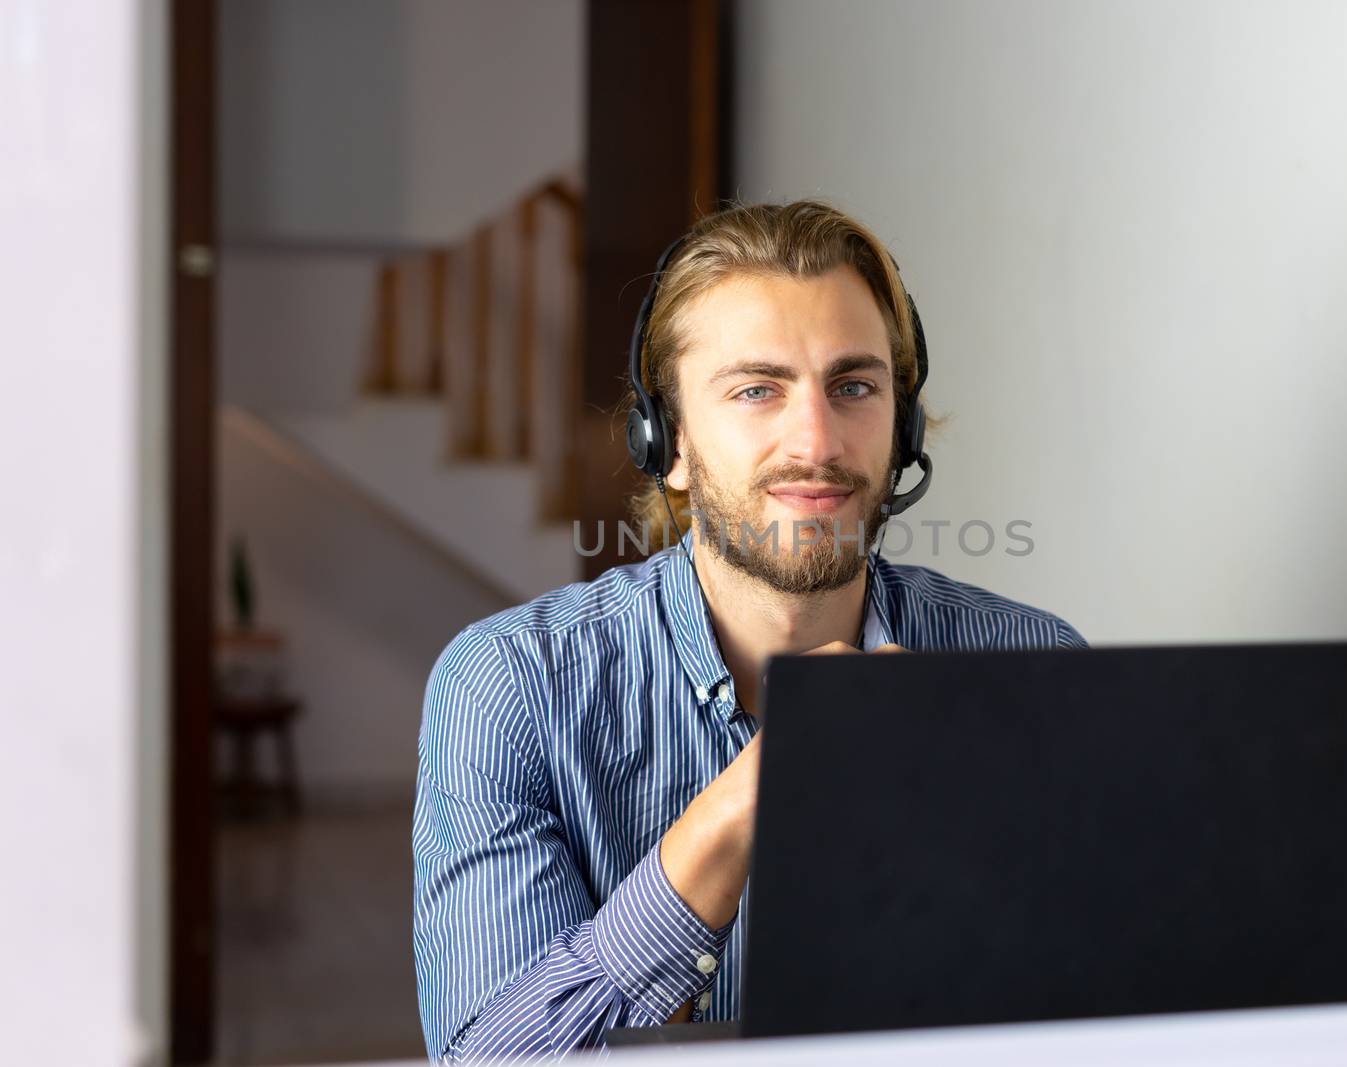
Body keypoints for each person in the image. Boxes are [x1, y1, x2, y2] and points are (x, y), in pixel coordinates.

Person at [412, 199, 1086, 1062]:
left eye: (854, 386)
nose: (816, 439)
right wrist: (732, 818)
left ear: (902, 429)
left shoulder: (1031, 667)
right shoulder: (510, 687)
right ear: (670, 442)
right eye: (756, 389)